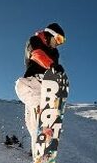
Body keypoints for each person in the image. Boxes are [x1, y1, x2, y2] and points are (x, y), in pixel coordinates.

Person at [15, 23, 66, 154]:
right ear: (50, 34)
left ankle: (39, 157)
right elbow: (37, 54)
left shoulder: (55, 53)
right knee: (35, 124)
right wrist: (52, 66)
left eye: (62, 42)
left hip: (44, 87)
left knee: (33, 125)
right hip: (32, 84)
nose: (59, 43)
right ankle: (40, 153)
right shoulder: (34, 40)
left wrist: (57, 73)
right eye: (59, 39)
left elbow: (55, 71)